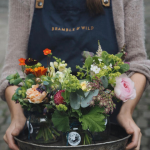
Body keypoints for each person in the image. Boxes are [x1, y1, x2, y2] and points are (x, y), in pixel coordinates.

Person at [0, 0, 150, 150]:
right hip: (42, 127)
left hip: (104, 126)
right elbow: (13, 68)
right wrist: (17, 116)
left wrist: (126, 113)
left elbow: (137, 63)